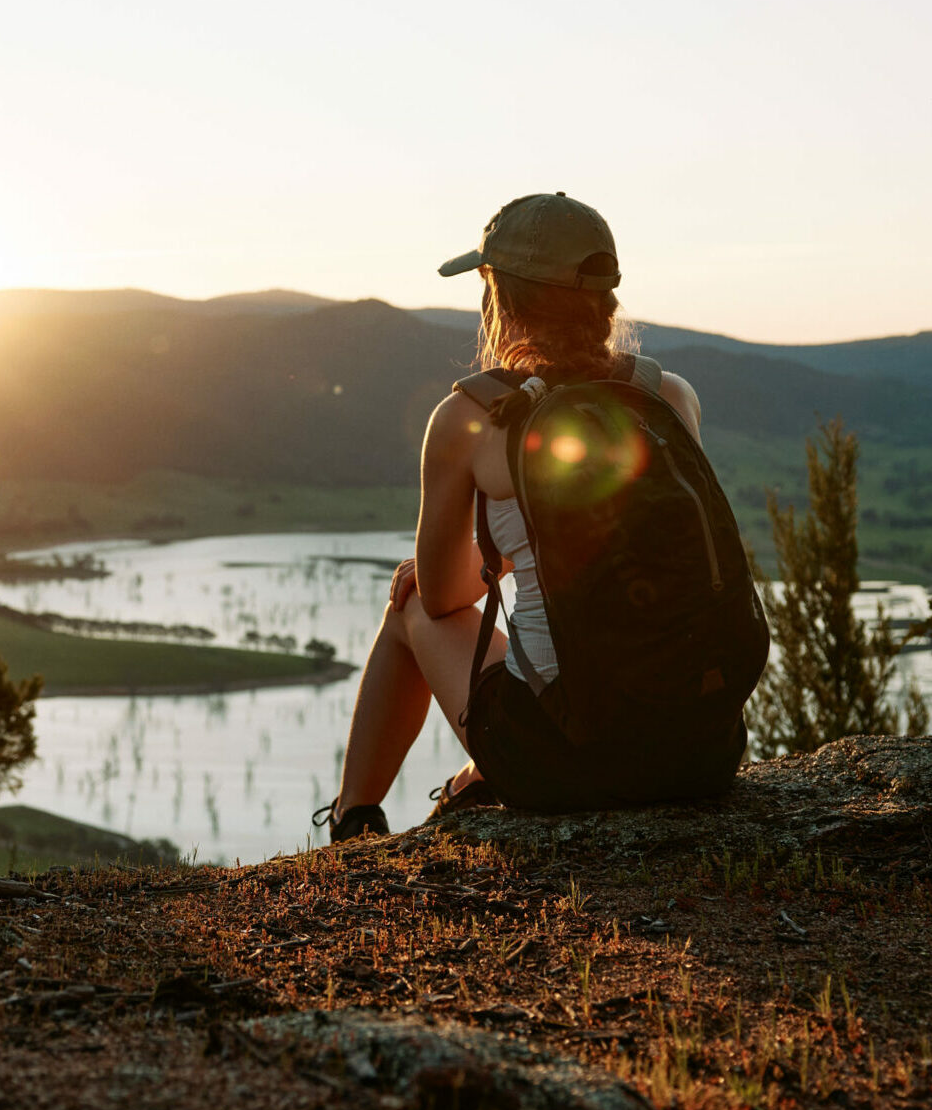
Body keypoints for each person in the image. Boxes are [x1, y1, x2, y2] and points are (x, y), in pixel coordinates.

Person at [315, 193, 754, 842]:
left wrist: (483, 552)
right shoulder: (667, 395)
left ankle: (354, 821)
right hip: (703, 750)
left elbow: (442, 599)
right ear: (605, 297)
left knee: (408, 606)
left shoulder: (470, 417)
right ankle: (469, 776)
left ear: (502, 297)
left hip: (563, 763)